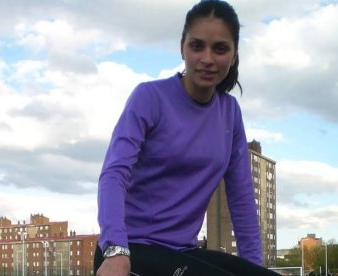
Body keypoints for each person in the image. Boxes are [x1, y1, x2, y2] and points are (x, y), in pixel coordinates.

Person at [95, 0, 280, 275]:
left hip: (182, 252)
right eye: (197, 46)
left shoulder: (229, 113)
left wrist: (252, 268)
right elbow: (114, 173)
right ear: (182, 47)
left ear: (233, 54)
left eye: (220, 48)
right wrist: (115, 249)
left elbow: (241, 197)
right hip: (131, 250)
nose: (207, 58)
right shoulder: (149, 98)